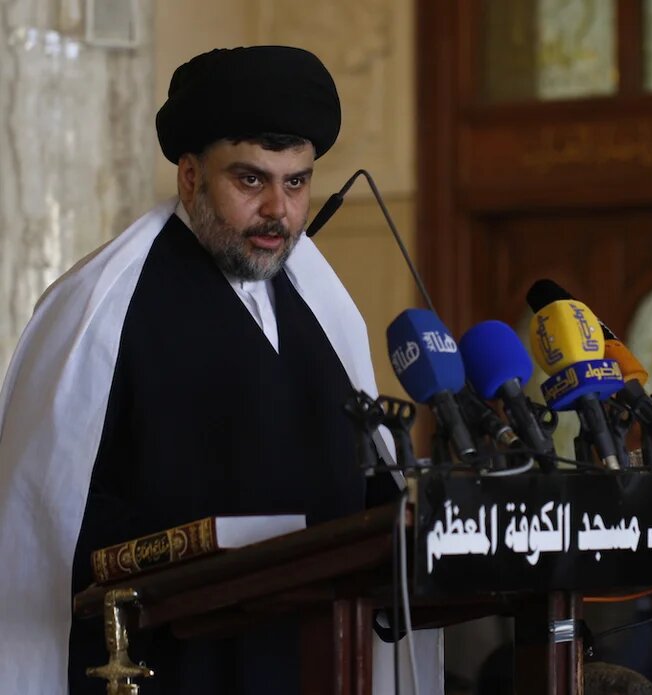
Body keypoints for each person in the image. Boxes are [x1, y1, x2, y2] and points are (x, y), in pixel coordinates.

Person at [0, 46, 440, 695]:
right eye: (251, 180)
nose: (279, 211)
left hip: (319, 659)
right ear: (189, 178)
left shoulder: (322, 300)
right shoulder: (101, 307)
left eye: (296, 183)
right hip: (180, 669)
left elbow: (368, 480)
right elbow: (46, 528)